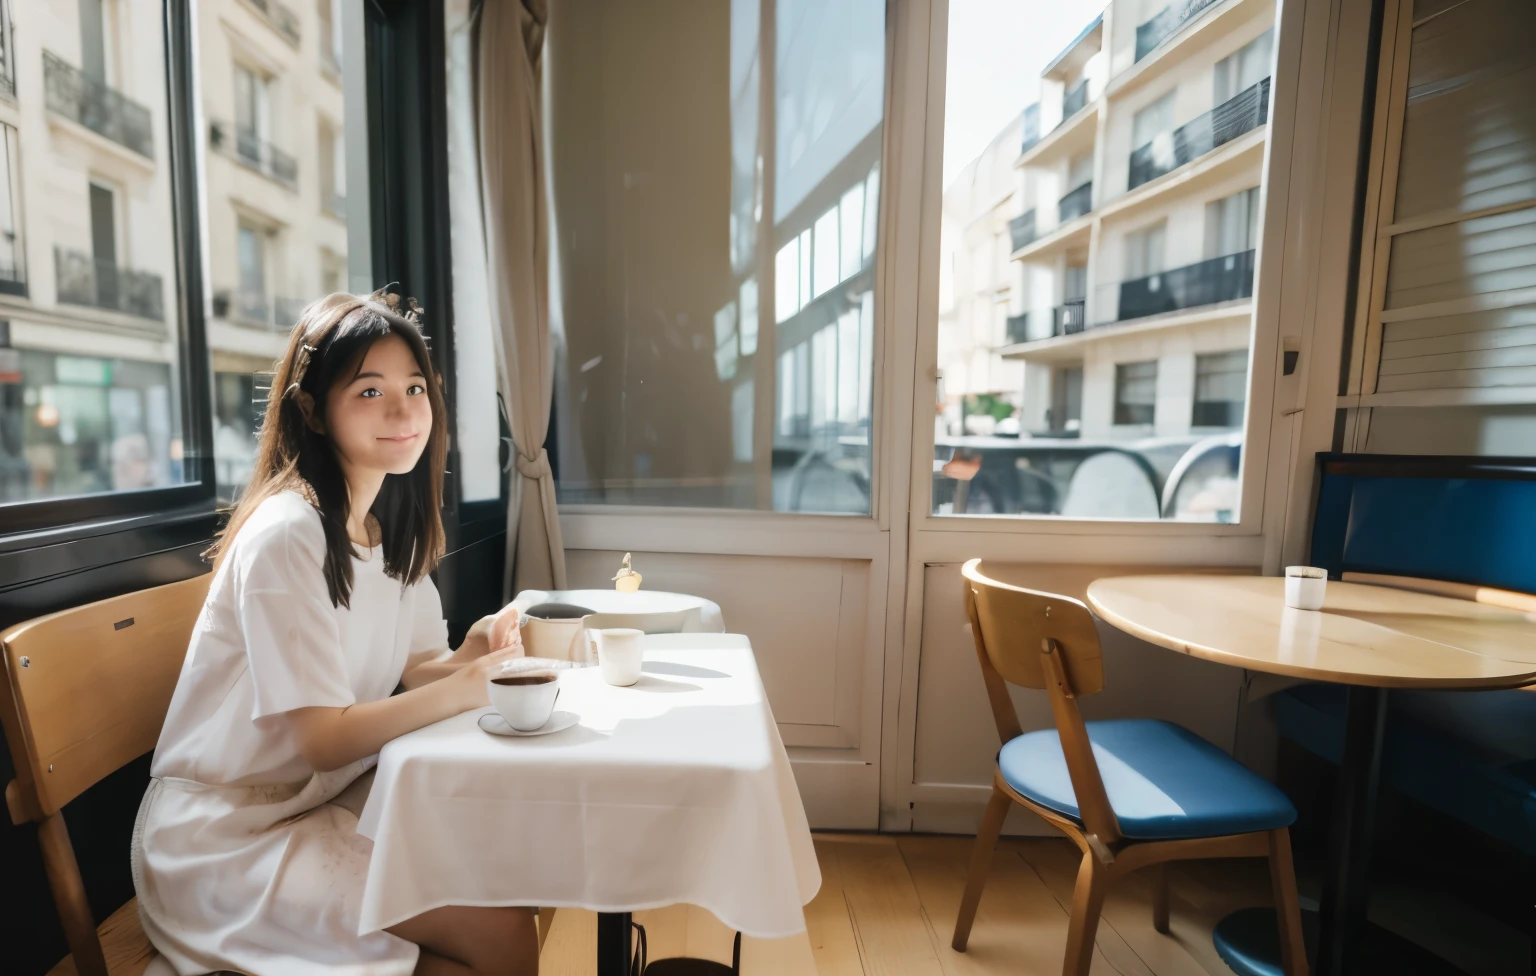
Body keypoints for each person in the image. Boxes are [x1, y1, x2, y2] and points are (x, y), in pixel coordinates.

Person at [133, 291, 538, 976]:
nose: (404, 409)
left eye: (415, 387)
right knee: (497, 938)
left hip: (316, 805)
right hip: (223, 842)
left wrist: (471, 657)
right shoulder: (287, 533)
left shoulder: (386, 526)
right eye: (371, 390)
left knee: (504, 909)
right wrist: (468, 689)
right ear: (314, 410)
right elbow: (321, 737)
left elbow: (419, 671)